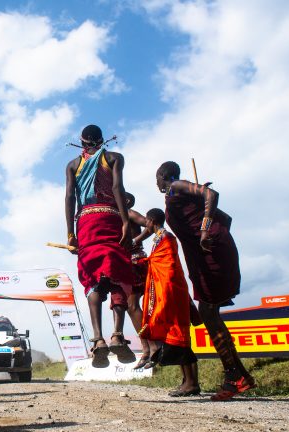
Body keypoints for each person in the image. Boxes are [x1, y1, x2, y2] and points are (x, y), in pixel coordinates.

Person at [155, 161, 255, 400]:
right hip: (203, 257)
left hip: (211, 251)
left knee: (209, 313)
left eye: (156, 179)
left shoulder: (176, 185)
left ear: (162, 176)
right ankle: (240, 376)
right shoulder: (176, 195)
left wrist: (204, 228)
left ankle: (234, 377)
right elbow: (211, 207)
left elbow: (212, 194)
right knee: (210, 313)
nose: (156, 183)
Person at [64, 125, 136, 368]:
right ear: (103, 140)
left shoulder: (73, 165)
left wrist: (70, 234)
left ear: (82, 142)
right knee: (118, 274)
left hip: (86, 223)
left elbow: (70, 198)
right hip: (111, 218)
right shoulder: (114, 158)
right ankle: (117, 335)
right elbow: (117, 189)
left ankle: (98, 339)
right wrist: (125, 222)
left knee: (92, 278)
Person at [134, 208, 200, 396]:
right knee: (177, 337)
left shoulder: (166, 238)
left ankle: (191, 383)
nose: (145, 225)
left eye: (146, 221)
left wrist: (147, 261)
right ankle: (188, 382)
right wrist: (144, 261)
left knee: (179, 337)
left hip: (172, 291)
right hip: (168, 291)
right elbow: (156, 261)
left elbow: (168, 266)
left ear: (151, 221)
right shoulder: (159, 238)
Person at [124, 193, 153, 369]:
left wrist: (136, 240)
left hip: (136, 262)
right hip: (126, 264)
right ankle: (147, 348)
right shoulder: (117, 217)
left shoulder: (129, 213)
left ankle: (151, 348)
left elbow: (150, 225)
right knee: (131, 307)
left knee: (132, 306)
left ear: (126, 201)